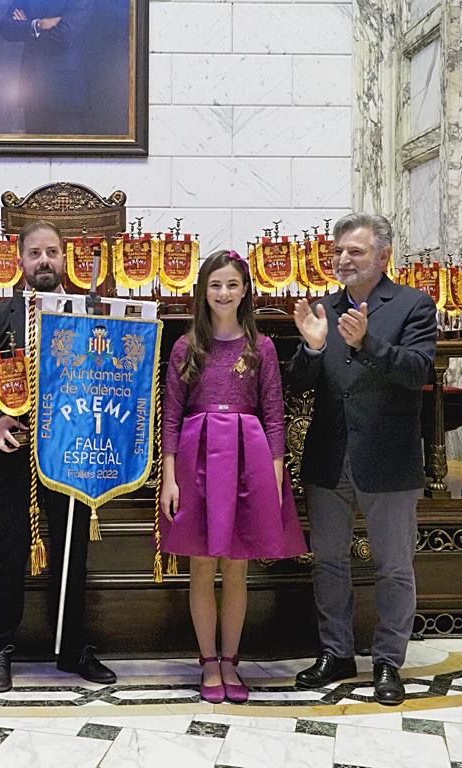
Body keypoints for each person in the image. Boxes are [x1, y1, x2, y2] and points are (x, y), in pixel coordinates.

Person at [0, 220, 117, 692]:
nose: (44, 261)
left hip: (72, 451)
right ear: (20, 259)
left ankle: (72, 648)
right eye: (35, 253)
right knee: (9, 549)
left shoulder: (90, 314)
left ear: (64, 258)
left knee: (73, 551)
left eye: (52, 252)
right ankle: (0, 647)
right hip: (16, 452)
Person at [289, 213, 437, 705]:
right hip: (330, 458)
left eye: (355, 251)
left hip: (388, 459)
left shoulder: (413, 305)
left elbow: (417, 370)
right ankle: (337, 652)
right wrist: (312, 349)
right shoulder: (321, 310)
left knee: (394, 566)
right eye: (338, 251)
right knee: (328, 562)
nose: (343, 259)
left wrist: (367, 343)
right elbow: (299, 384)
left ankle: (389, 661)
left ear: (383, 256)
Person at [159, 250, 307, 704]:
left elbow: (275, 416)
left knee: (237, 568)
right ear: (203, 291)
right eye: (215, 285)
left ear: (245, 291)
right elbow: (170, 415)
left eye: (232, 285)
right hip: (197, 458)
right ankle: (207, 661)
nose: (223, 293)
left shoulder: (259, 347)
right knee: (201, 567)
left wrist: (275, 477)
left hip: (247, 459)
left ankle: (230, 660)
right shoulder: (187, 347)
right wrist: (169, 478)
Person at [0, 1, 95, 134]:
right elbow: (5, 28)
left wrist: (28, 27)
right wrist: (38, 25)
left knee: (68, 152)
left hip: (66, 95)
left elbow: (64, 35)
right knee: (35, 152)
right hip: (33, 93)